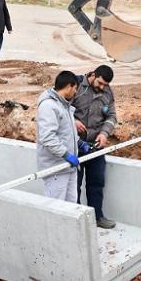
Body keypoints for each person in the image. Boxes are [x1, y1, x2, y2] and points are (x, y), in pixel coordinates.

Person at [72, 65, 118, 229]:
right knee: (74, 185)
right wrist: (73, 121)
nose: (101, 87)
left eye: (105, 85)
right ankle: (76, 221)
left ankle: (97, 217)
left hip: (95, 147)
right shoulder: (75, 85)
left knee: (96, 182)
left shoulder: (107, 92)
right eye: (99, 83)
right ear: (92, 75)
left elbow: (112, 116)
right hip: (75, 146)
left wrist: (104, 133)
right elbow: (61, 110)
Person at [36, 70, 88, 202]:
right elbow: (47, 137)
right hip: (56, 169)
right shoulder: (49, 106)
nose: (75, 92)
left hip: (69, 167)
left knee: (71, 207)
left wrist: (79, 142)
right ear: (69, 86)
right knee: (56, 207)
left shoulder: (65, 105)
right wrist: (66, 155)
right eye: (75, 88)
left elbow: (66, 131)